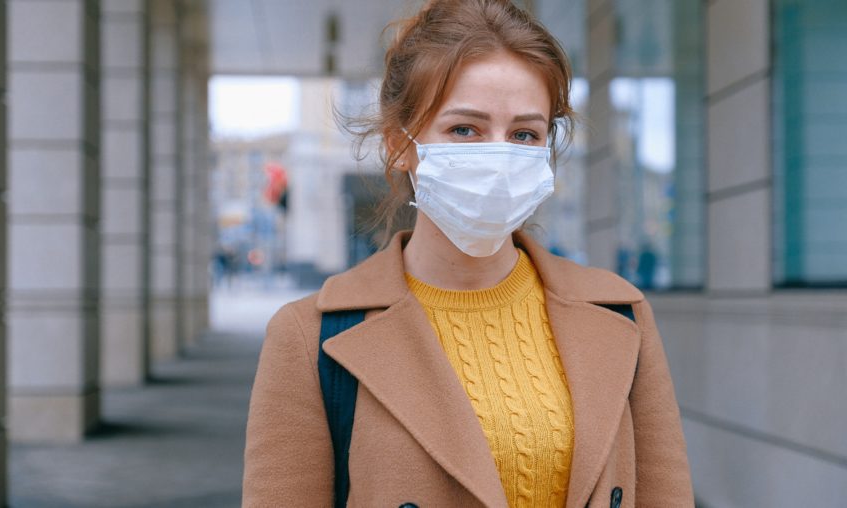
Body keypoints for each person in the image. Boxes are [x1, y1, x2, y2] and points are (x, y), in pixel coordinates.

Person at [243, 1, 693, 506]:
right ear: (399, 144)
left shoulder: (620, 314)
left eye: (525, 134)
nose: (498, 158)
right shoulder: (312, 338)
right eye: (465, 130)